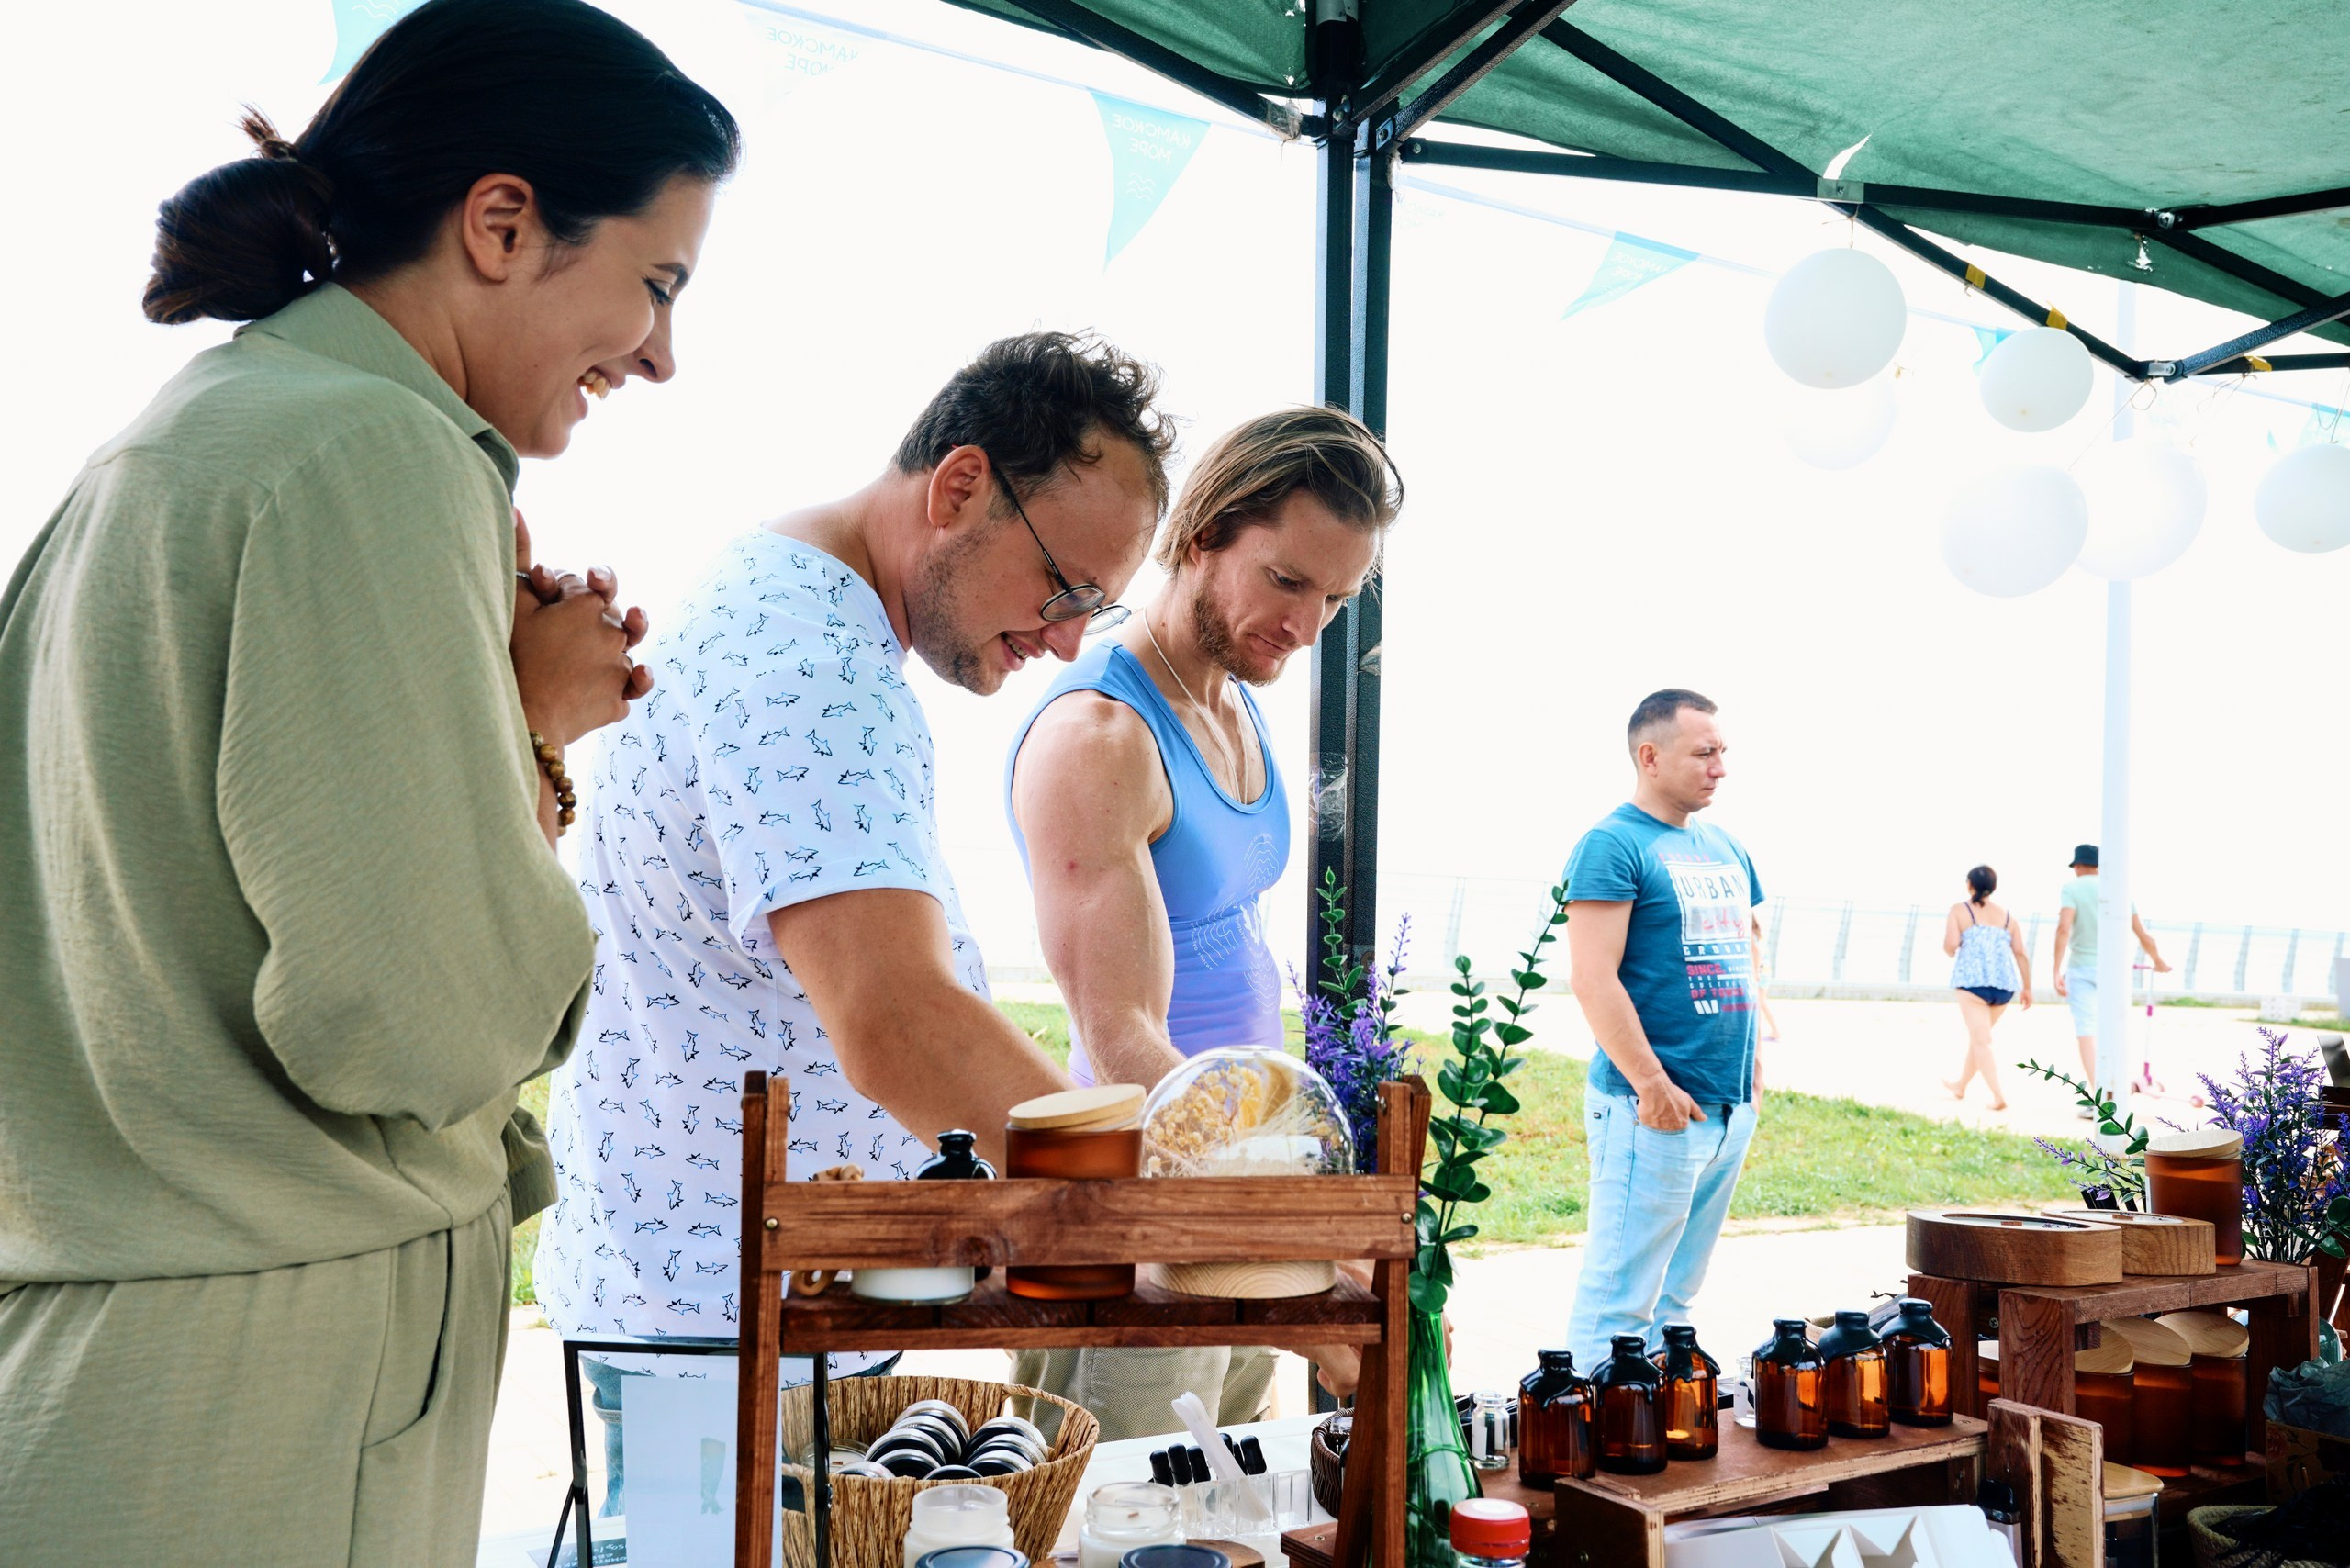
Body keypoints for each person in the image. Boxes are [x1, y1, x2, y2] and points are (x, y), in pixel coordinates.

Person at [0, 4, 737, 1562]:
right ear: (501, 221)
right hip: (252, 1392)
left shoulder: (189, 440)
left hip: (119, 1367)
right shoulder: (377, 454)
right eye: (657, 282)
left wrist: (501, 715)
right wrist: (528, 753)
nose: (665, 352)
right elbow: (412, 1012)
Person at [535, 330, 1176, 1509]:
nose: (1072, 638)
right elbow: (898, 1019)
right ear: (960, 487)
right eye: (1066, 587)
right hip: (719, 1334)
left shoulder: (797, 606)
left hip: (722, 1307)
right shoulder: (808, 661)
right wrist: (1170, 1216)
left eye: (1101, 603)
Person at [1002, 407, 1404, 1438]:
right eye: (1285, 580)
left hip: (1232, 1207)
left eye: (1336, 596)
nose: (1308, 624)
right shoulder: (1100, 733)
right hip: (1141, 1232)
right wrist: (1279, 1230)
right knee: (1106, 1537)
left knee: (1220, 1526)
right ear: (1200, 535)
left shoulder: (1229, 697)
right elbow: (1123, 1038)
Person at [1562, 689, 1763, 1370]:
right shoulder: (1612, 845)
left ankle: (1655, 1442)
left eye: (1722, 752)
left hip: (1727, 1108)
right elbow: (1593, 977)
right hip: (1651, 1109)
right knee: (1620, 1299)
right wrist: (1651, 1085)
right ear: (1650, 756)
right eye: (1703, 753)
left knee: (1676, 1302)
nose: (1719, 768)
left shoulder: (1727, 848)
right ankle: (1587, 1439)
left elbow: (1747, 950)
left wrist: (1754, 1070)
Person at [2052, 843, 2171, 1093]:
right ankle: (2118, 1086)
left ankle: (2099, 1094)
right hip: (2114, 973)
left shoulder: (2071, 888)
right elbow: (2143, 936)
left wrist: (2055, 970)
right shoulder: (2119, 891)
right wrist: (2159, 962)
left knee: (2086, 1031)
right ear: (2099, 866)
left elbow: (2063, 929)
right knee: (2115, 1029)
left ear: (2077, 867)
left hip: (2081, 968)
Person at [1940, 865, 2031, 1111]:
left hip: (1972, 985)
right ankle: (1960, 1085)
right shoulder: (2008, 917)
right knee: (1980, 1037)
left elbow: (1950, 947)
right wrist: (2028, 988)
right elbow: (2021, 952)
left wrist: (1957, 943)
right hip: (2004, 987)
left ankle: (1998, 1096)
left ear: (1969, 884)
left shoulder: (1960, 910)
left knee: (1981, 1040)